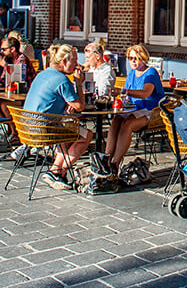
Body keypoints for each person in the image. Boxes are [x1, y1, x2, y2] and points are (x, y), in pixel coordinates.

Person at [21, 44, 94, 190]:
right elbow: (80, 106)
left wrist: (64, 106)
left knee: (68, 130)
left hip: (27, 126)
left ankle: (55, 172)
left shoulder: (43, 74)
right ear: (64, 62)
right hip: (43, 129)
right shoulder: (62, 80)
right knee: (87, 135)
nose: (76, 65)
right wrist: (78, 83)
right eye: (74, 61)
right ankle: (57, 171)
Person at [102, 44, 165, 173]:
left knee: (127, 124)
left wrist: (123, 91)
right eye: (130, 58)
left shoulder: (151, 72)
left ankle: (115, 163)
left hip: (150, 111)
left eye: (136, 58)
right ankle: (106, 160)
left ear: (143, 58)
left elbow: (145, 93)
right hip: (133, 109)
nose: (133, 61)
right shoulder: (131, 73)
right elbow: (127, 94)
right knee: (116, 121)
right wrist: (120, 98)